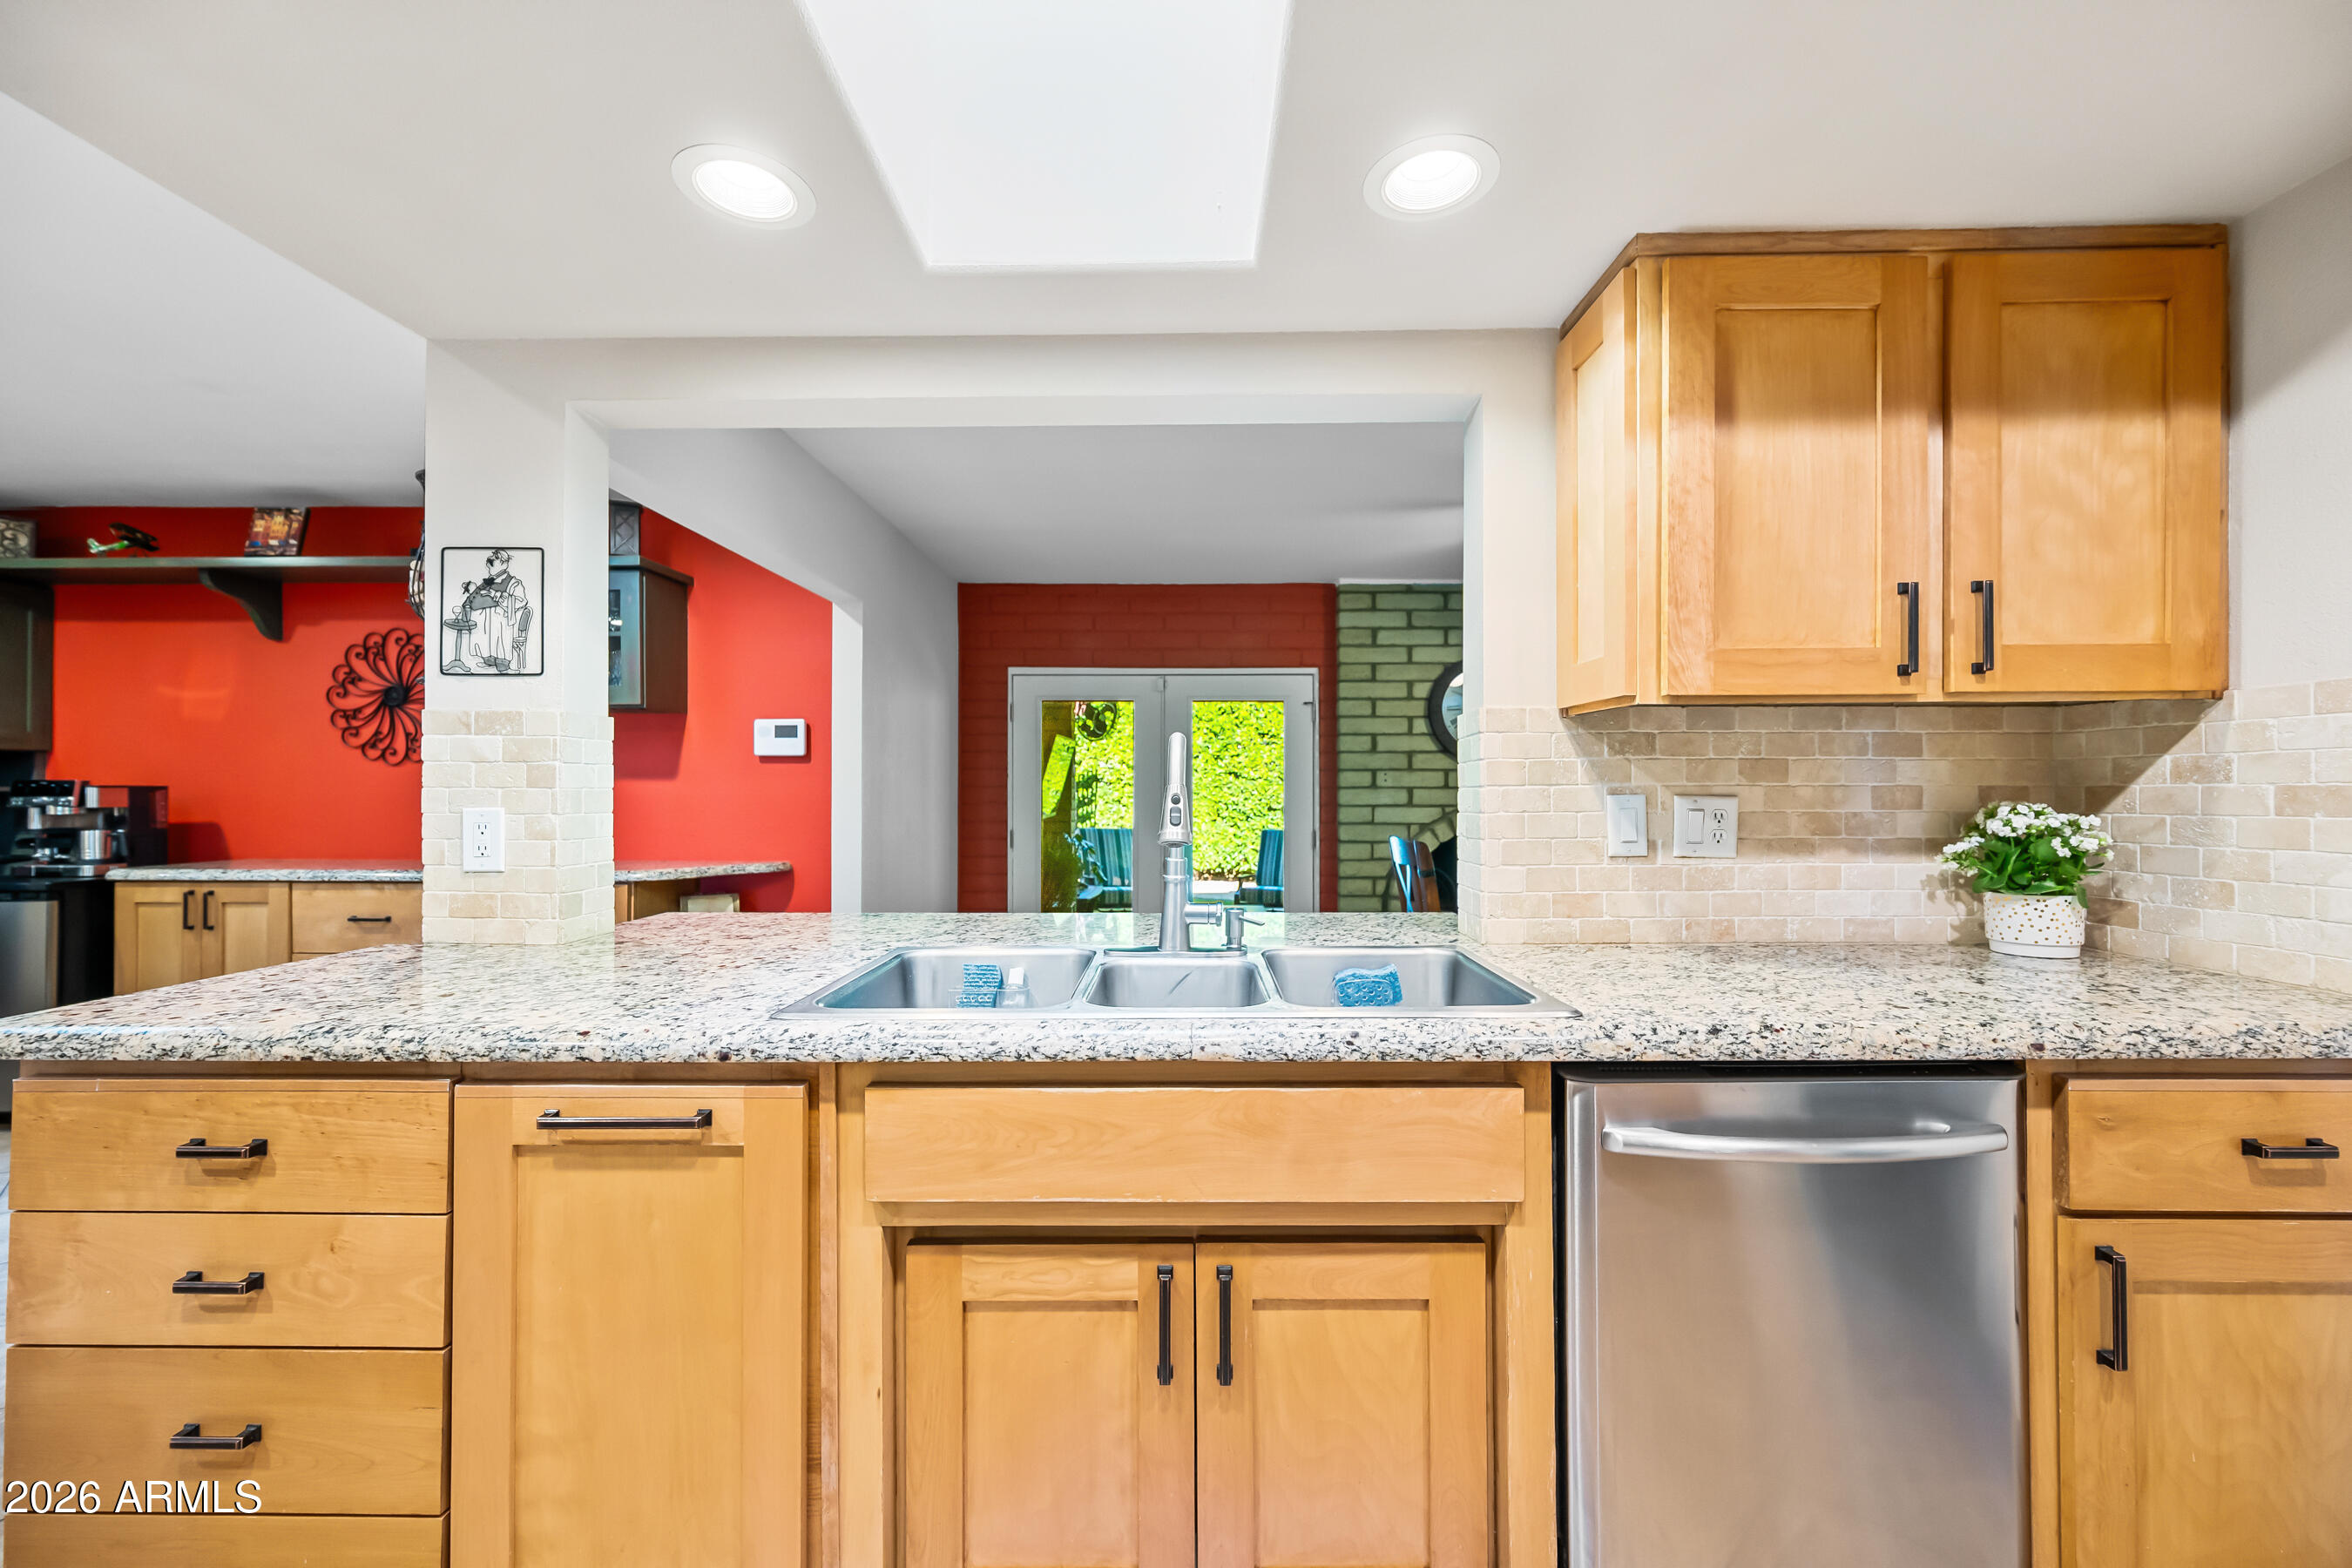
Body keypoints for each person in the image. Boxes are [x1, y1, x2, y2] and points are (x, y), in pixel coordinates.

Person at [443, 549, 533, 673]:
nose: (488, 565)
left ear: (503, 563)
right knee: (485, 638)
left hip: (501, 620)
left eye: (492, 562)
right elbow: (479, 597)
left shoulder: (514, 583)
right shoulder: (488, 580)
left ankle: (502, 662)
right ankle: (488, 659)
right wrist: (473, 590)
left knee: (499, 638)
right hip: (485, 619)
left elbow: (521, 601)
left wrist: (496, 595)